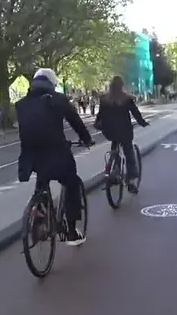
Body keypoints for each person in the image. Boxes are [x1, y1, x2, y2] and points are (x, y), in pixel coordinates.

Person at [15, 68, 94, 246]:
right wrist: (86, 139)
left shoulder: (22, 104)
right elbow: (75, 121)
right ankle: (72, 232)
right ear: (52, 83)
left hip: (31, 157)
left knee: (42, 180)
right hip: (56, 153)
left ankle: (39, 214)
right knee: (72, 183)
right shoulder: (58, 99)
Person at [95, 75, 149, 194]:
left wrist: (97, 124)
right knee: (128, 152)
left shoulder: (104, 99)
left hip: (109, 131)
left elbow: (100, 114)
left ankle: (114, 169)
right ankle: (131, 180)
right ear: (121, 86)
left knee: (114, 146)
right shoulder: (126, 99)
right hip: (124, 131)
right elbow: (135, 113)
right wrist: (142, 123)